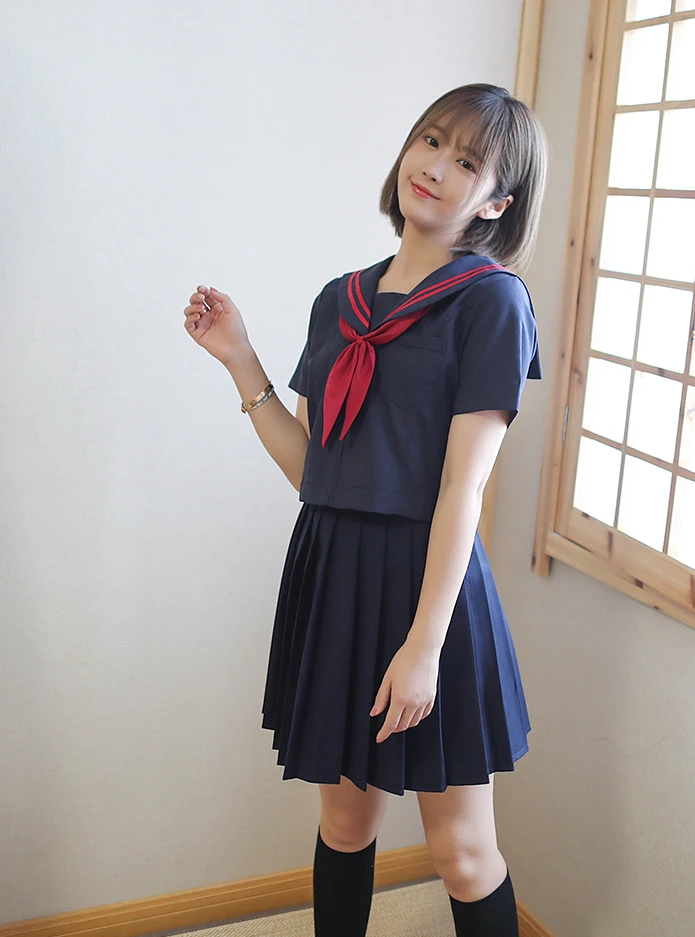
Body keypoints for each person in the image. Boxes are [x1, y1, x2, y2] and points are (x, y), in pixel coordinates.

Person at [182, 82, 548, 937]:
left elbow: (462, 489)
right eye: (431, 140)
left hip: (431, 592)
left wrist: (424, 647)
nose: (436, 166)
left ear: (497, 201)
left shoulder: (492, 302)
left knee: (462, 852)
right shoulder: (338, 300)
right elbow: (316, 472)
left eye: (467, 161)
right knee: (345, 825)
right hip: (335, 578)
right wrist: (241, 360)